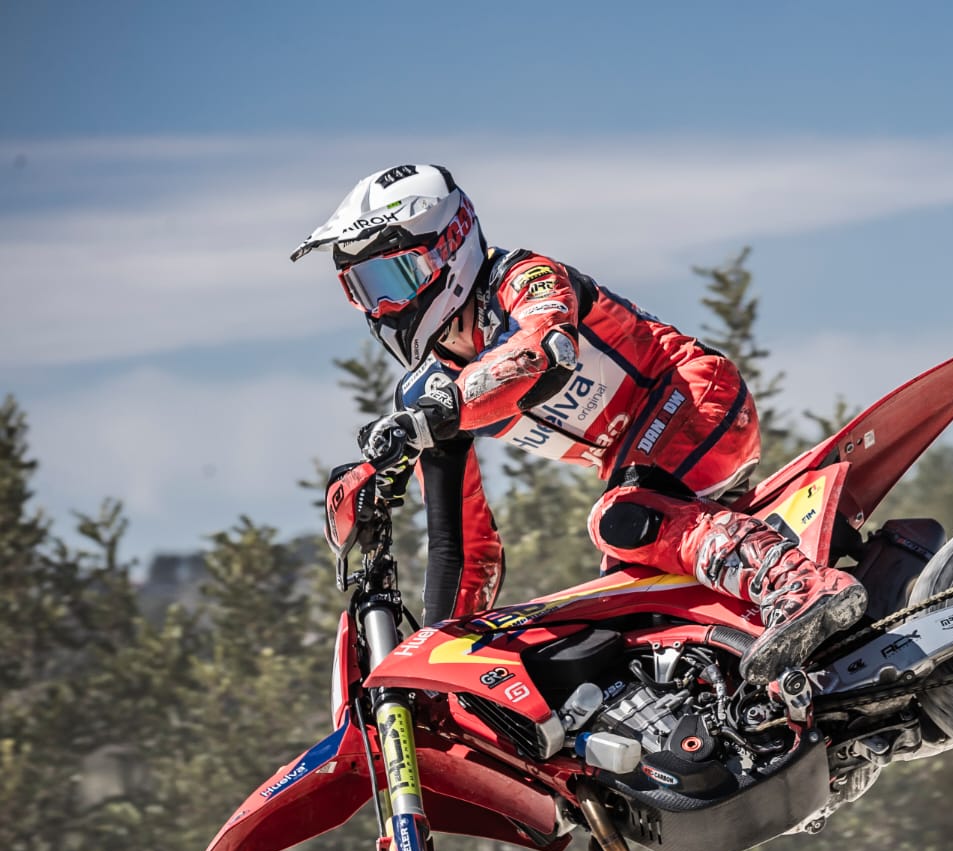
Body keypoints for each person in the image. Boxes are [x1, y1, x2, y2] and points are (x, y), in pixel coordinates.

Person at [293, 163, 865, 684]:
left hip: (692, 394)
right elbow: (462, 550)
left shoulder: (522, 279)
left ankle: (799, 584)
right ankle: (769, 693)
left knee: (623, 520)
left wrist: (438, 413)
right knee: (632, 612)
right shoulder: (425, 393)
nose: (384, 308)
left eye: (395, 281)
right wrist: (438, 659)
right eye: (366, 291)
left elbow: (541, 352)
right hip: (637, 463)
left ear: (449, 248)